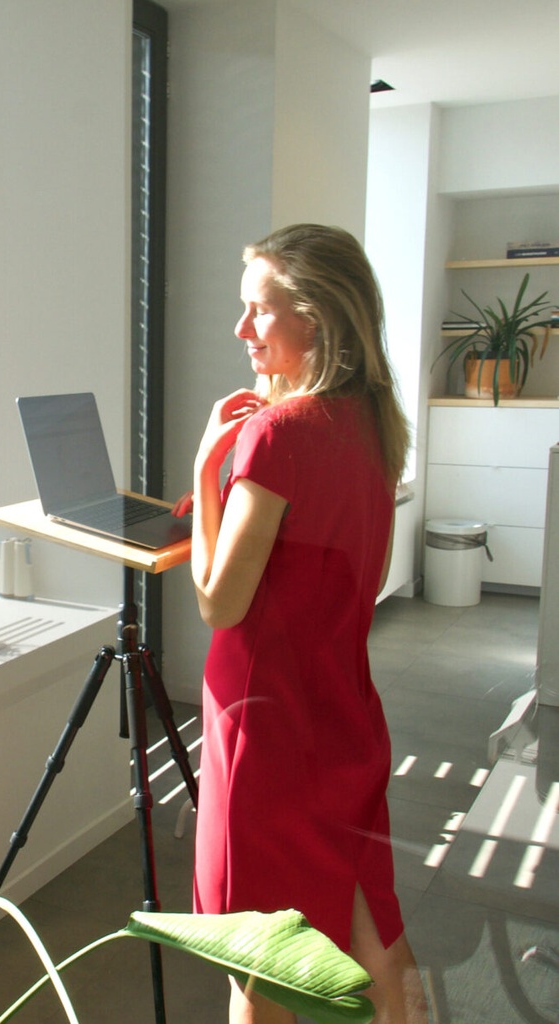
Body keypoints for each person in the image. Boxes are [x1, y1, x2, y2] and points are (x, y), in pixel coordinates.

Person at [174, 224, 428, 1024]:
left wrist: (204, 471)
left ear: (315, 318)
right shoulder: (372, 426)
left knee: (255, 956)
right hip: (339, 710)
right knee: (368, 923)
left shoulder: (275, 435)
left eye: (258, 311)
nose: (242, 329)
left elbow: (218, 601)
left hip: (264, 728)